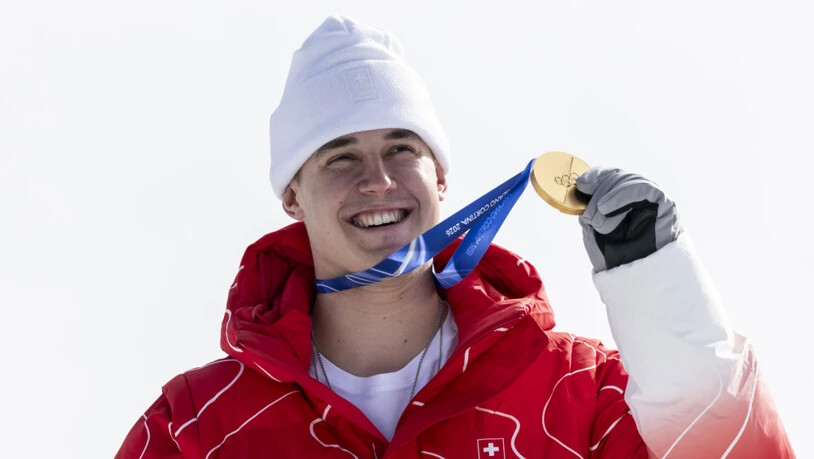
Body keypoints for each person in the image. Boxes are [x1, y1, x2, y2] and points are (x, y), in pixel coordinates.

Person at [116, 15, 793, 458]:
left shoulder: (577, 392)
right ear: (292, 192)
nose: (377, 179)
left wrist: (659, 289)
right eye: (340, 155)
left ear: (440, 176)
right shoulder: (197, 425)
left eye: (401, 148)